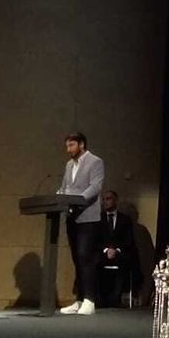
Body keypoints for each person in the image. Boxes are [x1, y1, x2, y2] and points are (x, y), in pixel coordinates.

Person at [55, 132, 104, 316]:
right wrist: (58, 195)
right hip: (72, 217)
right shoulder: (69, 165)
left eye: (72, 145)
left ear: (82, 144)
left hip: (88, 218)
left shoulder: (95, 162)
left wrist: (77, 199)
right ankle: (79, 299)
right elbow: (65, 186)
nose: (68, 149)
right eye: (67, 146)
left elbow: (95, 187)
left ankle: (90, 300)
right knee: (77, 258)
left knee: (86, 257)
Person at [94, 190, 135, 308]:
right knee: (94, 261)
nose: (105, 202)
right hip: (102, 253)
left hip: (120, 253)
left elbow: (129, 241)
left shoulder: (125, 220)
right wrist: (106, 250)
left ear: (116, 200)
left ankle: (115, 298)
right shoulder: (98, 219)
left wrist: (117, 250)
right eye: (104, 199)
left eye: (109, 199)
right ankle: (100, 298)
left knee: (126, 261)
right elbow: (95, 240)